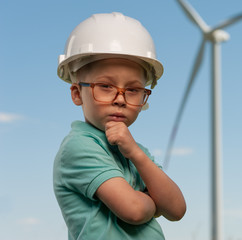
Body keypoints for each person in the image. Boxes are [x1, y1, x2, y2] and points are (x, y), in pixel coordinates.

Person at [53, 12, 186, 240]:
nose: (120, 99)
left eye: (133, 90)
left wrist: (136, 154)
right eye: (105, 86)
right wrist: (152, 203)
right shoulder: (79, 147)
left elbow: (176, 209)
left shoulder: (133, 150)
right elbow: (134, 211)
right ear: (77, 93)